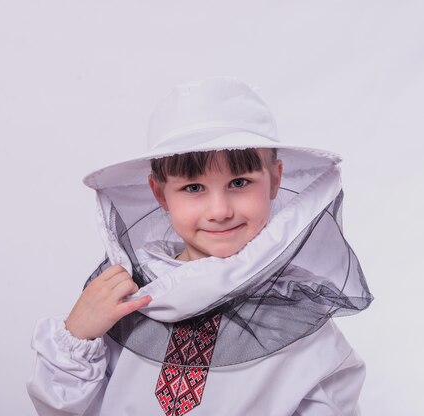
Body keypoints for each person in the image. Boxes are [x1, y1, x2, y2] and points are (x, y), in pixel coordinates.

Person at [27, 77, 373, 415]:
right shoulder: (123, 300)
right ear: (160, 193)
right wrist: (77, 336)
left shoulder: (303, 328)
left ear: (275, 180)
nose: (220, 211)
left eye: (239, 182)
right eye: (193, 188)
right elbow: (60, 408)